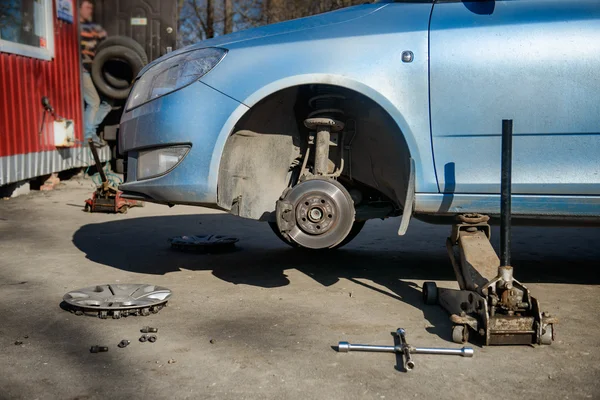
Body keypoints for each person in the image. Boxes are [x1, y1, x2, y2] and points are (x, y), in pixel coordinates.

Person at [79, 0, 110, 143]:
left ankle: (91, 131)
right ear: (79, 9)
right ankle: (88, 136)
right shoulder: (76, 28)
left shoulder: (93, 27)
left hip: (96, 71)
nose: (90, 11)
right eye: (87, 8)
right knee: (94, 102)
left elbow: (106, 41)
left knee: (108, 102)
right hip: (83, 70)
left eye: (91, 8)